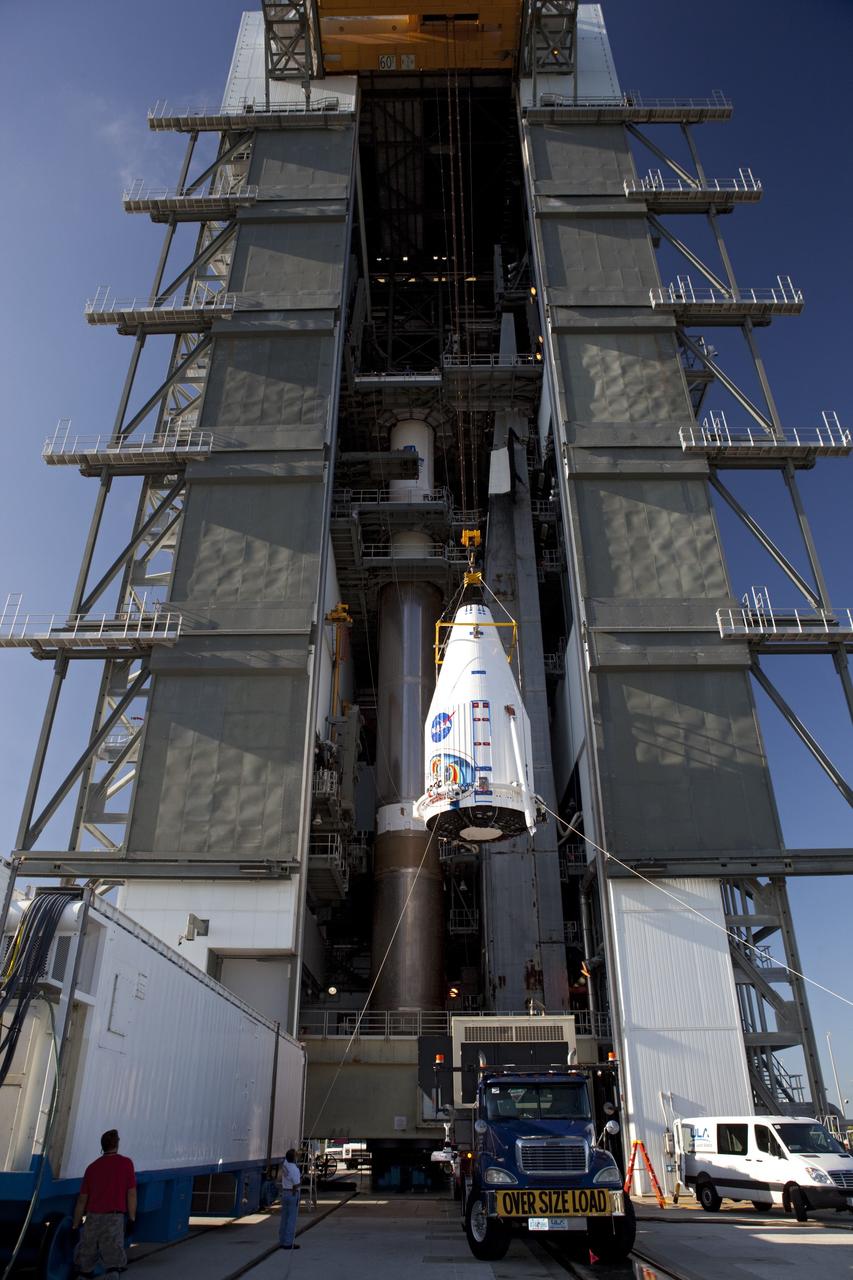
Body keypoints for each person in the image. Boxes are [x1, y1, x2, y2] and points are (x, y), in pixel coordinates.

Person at [71, 1129, 136, 1278]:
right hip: (114, 1218)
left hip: (93, 1218)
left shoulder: (92, 1168)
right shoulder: (126, 1164)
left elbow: (82, 1199)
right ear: (117, 1144)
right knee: (113, 1263)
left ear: (102, 1146)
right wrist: (132, 1218)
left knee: (86, 1261)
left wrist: (75, 1225)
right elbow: (131, 1194)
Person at [279, 1148, 302, 1250]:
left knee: (284, 1218)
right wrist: (301, 1180)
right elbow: (296, 1184)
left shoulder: (285, 1165)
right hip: (292, 1193)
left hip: (284, 1192)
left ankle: (282, 1240)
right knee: (291, 1219)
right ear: (294, 1158)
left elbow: (288, 1157)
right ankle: (288, 1242)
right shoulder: (294, 1169)